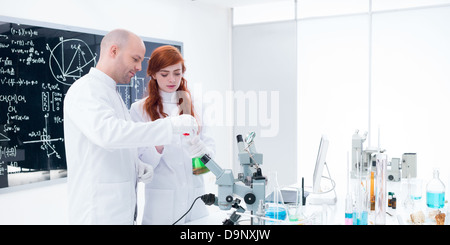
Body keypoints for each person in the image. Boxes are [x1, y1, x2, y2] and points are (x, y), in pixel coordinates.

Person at [63, 29, 198, 225]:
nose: (139, 67)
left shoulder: (111, 93)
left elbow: (118, 142)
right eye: (135, 59)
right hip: (97, 214)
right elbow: (109, 134)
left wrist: (136, 165)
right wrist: (169, 126)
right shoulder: (86, 90)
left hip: (119, 212)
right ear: (114, 51)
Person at [130, 45, 215, 225]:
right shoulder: (139, 110)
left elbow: (206, 168)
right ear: (153, 74)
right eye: (164, 74)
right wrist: (160, 141)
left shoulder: (197, 106)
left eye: (177, 73)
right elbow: (144, 166)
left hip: (195, 199)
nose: (172, 79)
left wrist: (201, 155)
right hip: (162, 205)